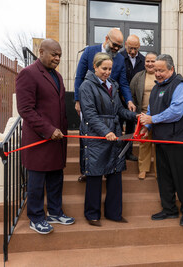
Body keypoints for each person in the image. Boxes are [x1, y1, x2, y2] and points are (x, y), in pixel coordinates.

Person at [16, 39, 75, 235]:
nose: (58, 58)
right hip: (39, 140)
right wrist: (49, 130)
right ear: (41, 52)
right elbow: (25, 109)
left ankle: (55, 212)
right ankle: (36, 217)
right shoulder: (28, 74)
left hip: (57, 140)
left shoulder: (57, 76)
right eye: (54, 54)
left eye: (59, 55)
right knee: (37, 182)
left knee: (56, 177)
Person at [79, 52, 137, 227]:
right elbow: (90, 115)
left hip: (114, 134)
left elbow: (119, 110)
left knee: (115, 173)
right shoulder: (86, 86)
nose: (107, 72)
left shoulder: (113, 84)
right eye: (104, 68)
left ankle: (114, 213)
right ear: (95, 67)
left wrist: (135, 116)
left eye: (110, 69)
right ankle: (92, 214)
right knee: (95, 175)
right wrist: (105, 132)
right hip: (96, 135)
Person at [74, 28, 136, 182]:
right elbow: (79, 76)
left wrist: (128, 100)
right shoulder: (89, 52)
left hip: (109, 104)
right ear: (107, 38)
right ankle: (86, 170)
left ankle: (109, 168)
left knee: (111, 136)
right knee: (88, 138)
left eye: (119, 47)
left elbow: (123, 83)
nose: (116, 49)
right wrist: (77, 100)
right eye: (114, 45)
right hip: (89, 101)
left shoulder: (120, 59)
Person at [140, 54, 183, 227]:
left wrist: (152, 120)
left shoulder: (180, 85)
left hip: (179, 140)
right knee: (164, 177)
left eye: (161, 70)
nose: (157, 74)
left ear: (171, 69)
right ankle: (169, 209)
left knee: (181, 177)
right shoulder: (156, 88)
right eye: (156, 70)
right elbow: (150, 110)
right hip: (161, 140)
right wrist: (146, 127)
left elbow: (176, 112)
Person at [130, 51, 158, 180]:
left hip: (159, 116)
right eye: (148, 61)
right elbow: (132, 94)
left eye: (153, 61)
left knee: (159, 143)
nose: (150, 64)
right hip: (143, 115)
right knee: (144, 142)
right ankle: (143, 169)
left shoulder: (161, 75)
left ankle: (160, 171)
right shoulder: (138, 76)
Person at [120, 34, 146, 161]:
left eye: (136, 48)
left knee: (131, 127)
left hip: (134, 100)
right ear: (125, 44)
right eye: (130, 48)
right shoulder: (118, 57)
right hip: (120, 98)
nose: (133, 51)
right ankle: (117, 152)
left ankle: (128, 152)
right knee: (118, 125)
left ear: (139, 46)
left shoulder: (143, 60)